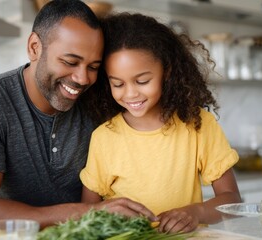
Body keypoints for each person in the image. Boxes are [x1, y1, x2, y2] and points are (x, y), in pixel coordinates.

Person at [0, 0, 155, 230]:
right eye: (70, 62)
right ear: (35, 47)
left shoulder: (103, 99)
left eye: (93, 67)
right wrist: (89, 212)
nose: (83, 78)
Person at [80, 12, 242, 234]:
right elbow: (86, 212)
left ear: (167, 72)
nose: (130, 93)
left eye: (142, 81)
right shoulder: (104, 137)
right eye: (117, 84)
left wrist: (197, 212)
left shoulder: (198, 125)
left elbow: (232, 201)